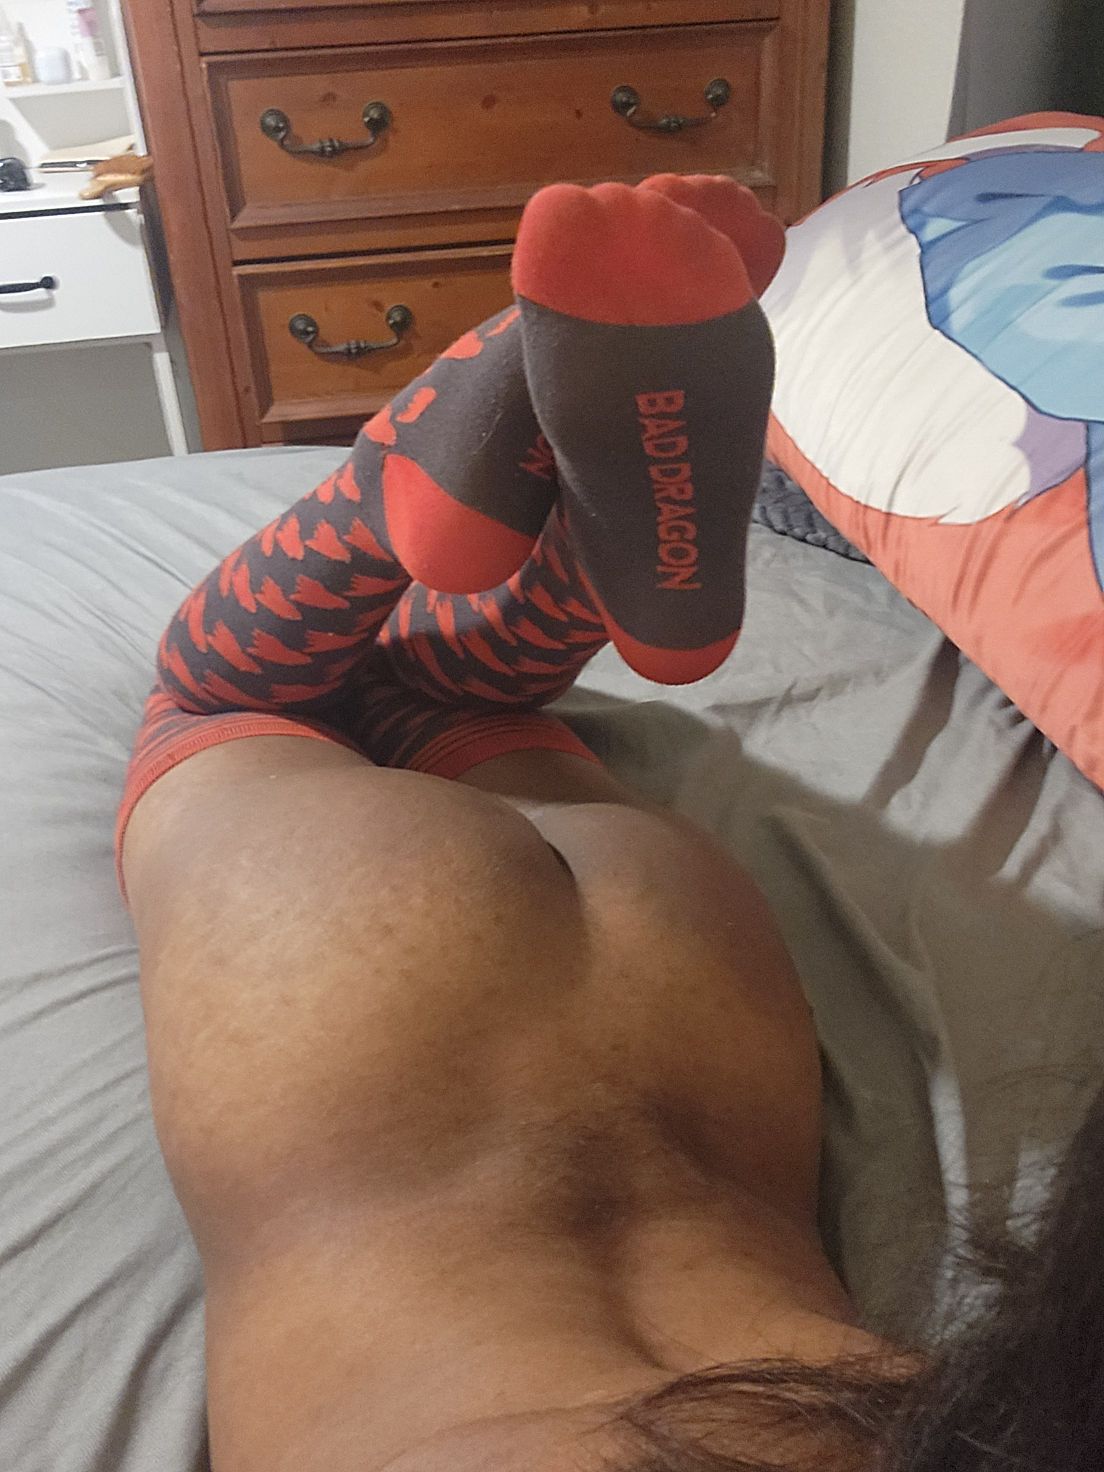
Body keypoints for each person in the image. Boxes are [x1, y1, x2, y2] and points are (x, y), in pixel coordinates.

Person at [117, 178, 1104, 1471]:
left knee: (282, 692)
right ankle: (460, 502)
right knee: (249, 697)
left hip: (671, 950)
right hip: (384, 994)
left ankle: (468, 491)